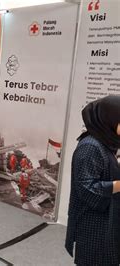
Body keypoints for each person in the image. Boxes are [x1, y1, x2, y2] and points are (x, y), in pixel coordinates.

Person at [65, 95, 120, 265]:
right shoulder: (90, 146)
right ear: (109, 118)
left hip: (106, 220)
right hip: (93, 224)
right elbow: (86, 189)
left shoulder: (106, 141)